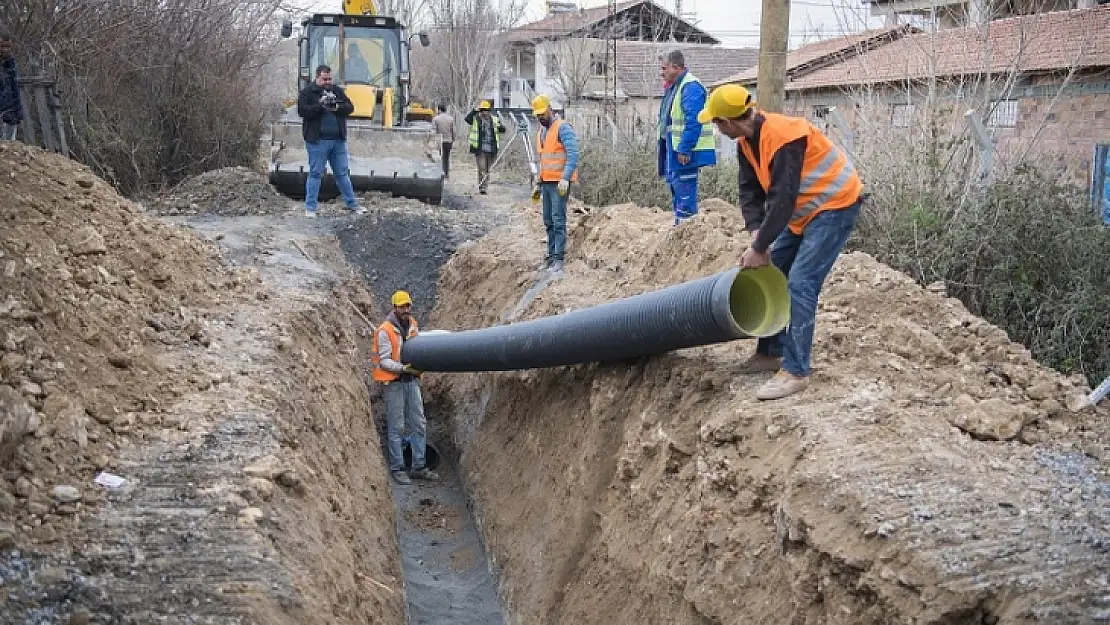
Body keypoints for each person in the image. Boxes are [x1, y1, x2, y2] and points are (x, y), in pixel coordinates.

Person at [698, 84, 864, 401]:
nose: (716, 129)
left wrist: (760, 247)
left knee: (801, 282)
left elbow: (782, 202)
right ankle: (770, 352)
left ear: (730, 121)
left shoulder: (784, 138)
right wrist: (755, 239)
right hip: (806, 211)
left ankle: (796, 370)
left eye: (717, 123)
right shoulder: (746, 142)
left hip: (835, 205)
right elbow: (750, 194)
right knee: (772, 272)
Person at [371, 290, 439, 485]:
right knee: (397, 427)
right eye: (402, 306)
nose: (406, 310)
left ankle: (419, 466)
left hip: (411, 382)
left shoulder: (412, 325)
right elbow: (384, 360)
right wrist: (402, 368)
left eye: (408, 306)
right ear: (394, 307)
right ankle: (398, 468)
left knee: (419, 423)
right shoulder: (385, 330)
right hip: (394, 384)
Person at [296, 64, 367, 218]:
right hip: (317, 141)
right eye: (324, 79)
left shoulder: (337, 90)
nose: (328, 81)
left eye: (329, 78)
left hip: (338, 141)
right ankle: (310, 208)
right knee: (315, 173)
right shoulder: (307, 92)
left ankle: (352, 204)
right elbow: (302, 111)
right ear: (317, 77)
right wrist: (320, 105)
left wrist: (336, 107)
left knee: (342, 173)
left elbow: (350, 108)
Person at [657, 49, 716, 226]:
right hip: (674, 148)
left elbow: (694, 120)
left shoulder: (690, 87)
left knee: (685, 191)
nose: (662, 72)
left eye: (664, 68)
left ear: (675, 67)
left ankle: (686, 228)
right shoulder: (676, 87)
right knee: (676, 187)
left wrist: (685, 148)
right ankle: (680, 227)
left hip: (686, 151)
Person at [531, 95, 579, 273]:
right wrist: (539, 181)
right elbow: (544, 159)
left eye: (542, 114)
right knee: (548, 220)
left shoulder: (563, 128)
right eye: (537, 115)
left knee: (558, 219)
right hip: (547, 183)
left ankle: (558, 258)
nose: (540, 118)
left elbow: (573, 154)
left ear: (550, 109)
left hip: (560, 183)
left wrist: (565, 178)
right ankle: (551, 256)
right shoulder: (542, 132)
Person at [463, 100, 505, 194]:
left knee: (488, 169)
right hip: (479, 148)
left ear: (489, 110)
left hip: (491, 148)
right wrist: (474, 111)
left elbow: (502, 129)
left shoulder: (494, 119)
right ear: (480, 110)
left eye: (486, 110)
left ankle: (485, 186)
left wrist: (500, 128)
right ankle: (482, 187)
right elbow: (467, 119)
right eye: (482, 110)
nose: (484, 112)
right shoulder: (476, 119)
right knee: (481, 168)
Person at [0, 29, 23, 142]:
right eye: (3, 46)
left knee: (11, 146)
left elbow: (15, 87)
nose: (6, 50)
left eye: (8, 46)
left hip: (10, 112)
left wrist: (18, 110)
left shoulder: (10, 63)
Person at [432, 103, 455, 179]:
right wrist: (453, 139)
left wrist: (433, 140)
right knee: (446, 157)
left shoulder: (436, 119)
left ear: (439, 109)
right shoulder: (450, 119)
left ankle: (441, 172)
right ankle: (446, 173)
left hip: (440, 140)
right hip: (448, 140)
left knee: (440, 157)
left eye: (437, 109)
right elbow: (453, 131)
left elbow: (434, 131)